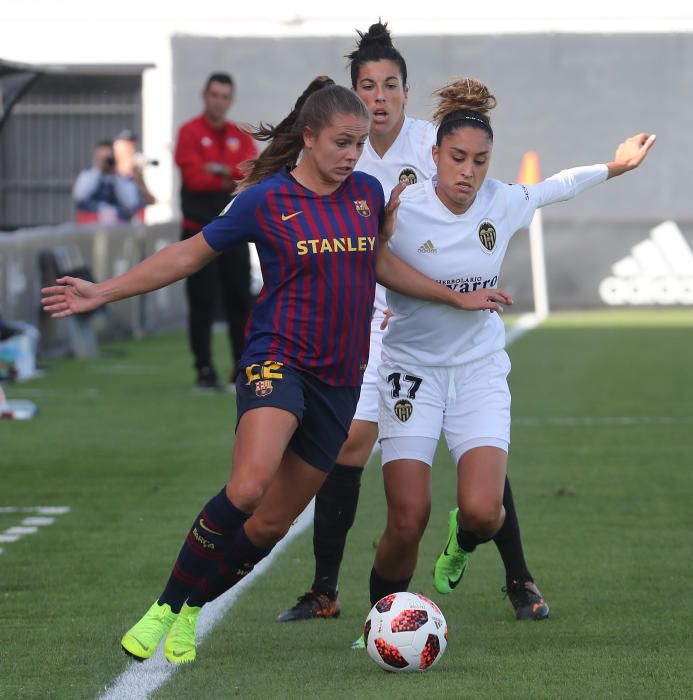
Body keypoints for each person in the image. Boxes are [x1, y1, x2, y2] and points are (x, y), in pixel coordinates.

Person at [41, 78, 508, 665]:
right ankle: (165, 605)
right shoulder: (266, 200)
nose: (351, 155)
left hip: (340, 381)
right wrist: (102, 292)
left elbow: (380, 264)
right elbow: (190, 253)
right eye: (341, 142)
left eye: (360, 143)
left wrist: (451, 295)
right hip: (278, 359)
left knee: (268, 526)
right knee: (248, 485)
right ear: (308, 138)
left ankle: (190, 611)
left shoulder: (366, 194)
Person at [277, 20, 550, 629]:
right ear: (351, 95)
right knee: (349, 441)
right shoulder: (337, 145)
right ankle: (325, 589)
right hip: (362, 314)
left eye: (390, 85)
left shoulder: (434, 142)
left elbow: (475, 194)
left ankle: (518, 574)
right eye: (367, 86)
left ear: (406, 91)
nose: (379, 97)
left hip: (424, 312)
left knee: (472, 441)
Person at [366, 77, 655, 623]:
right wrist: (458, 298)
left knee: (481, 512)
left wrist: (617, 167)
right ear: (434, 155)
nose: (468, 171)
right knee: (407, 519)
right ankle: (379, 622)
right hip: (411, 371)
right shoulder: (401, 206)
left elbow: (559, 185)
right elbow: (379, 265)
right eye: (457, 157)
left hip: (477, 372)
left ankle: (463, 542)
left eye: (480, 160)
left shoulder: (502, 200)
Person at [174, 72, 259, 391]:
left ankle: (242, 367)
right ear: (204, 96)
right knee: (202, 303)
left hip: (233, 234)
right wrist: (228, 173)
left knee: (240, 301)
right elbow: (195, 179)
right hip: (197, 231)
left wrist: (220, 170)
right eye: (214, 95)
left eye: (225, 96)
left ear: (230, 100)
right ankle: (204, 369)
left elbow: (249, 173)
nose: (219, 102)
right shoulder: (190, 132)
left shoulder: (239, 134)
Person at [72, 140, 141, 224]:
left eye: (108, 158)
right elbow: (79, 196)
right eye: (101, 157)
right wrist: (97, 171)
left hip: (117, 226)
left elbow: (131, 203)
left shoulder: (121, 179)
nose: (105, 161)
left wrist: (115, 174)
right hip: (91, 223)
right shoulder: (87, 175)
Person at [113, 129, 157, 221]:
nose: (130, 150)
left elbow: (151, 200)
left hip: (136, 226)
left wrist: (137, 178)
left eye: (132, 146)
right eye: (126, 146)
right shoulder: (111, 176)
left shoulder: (136, 175)